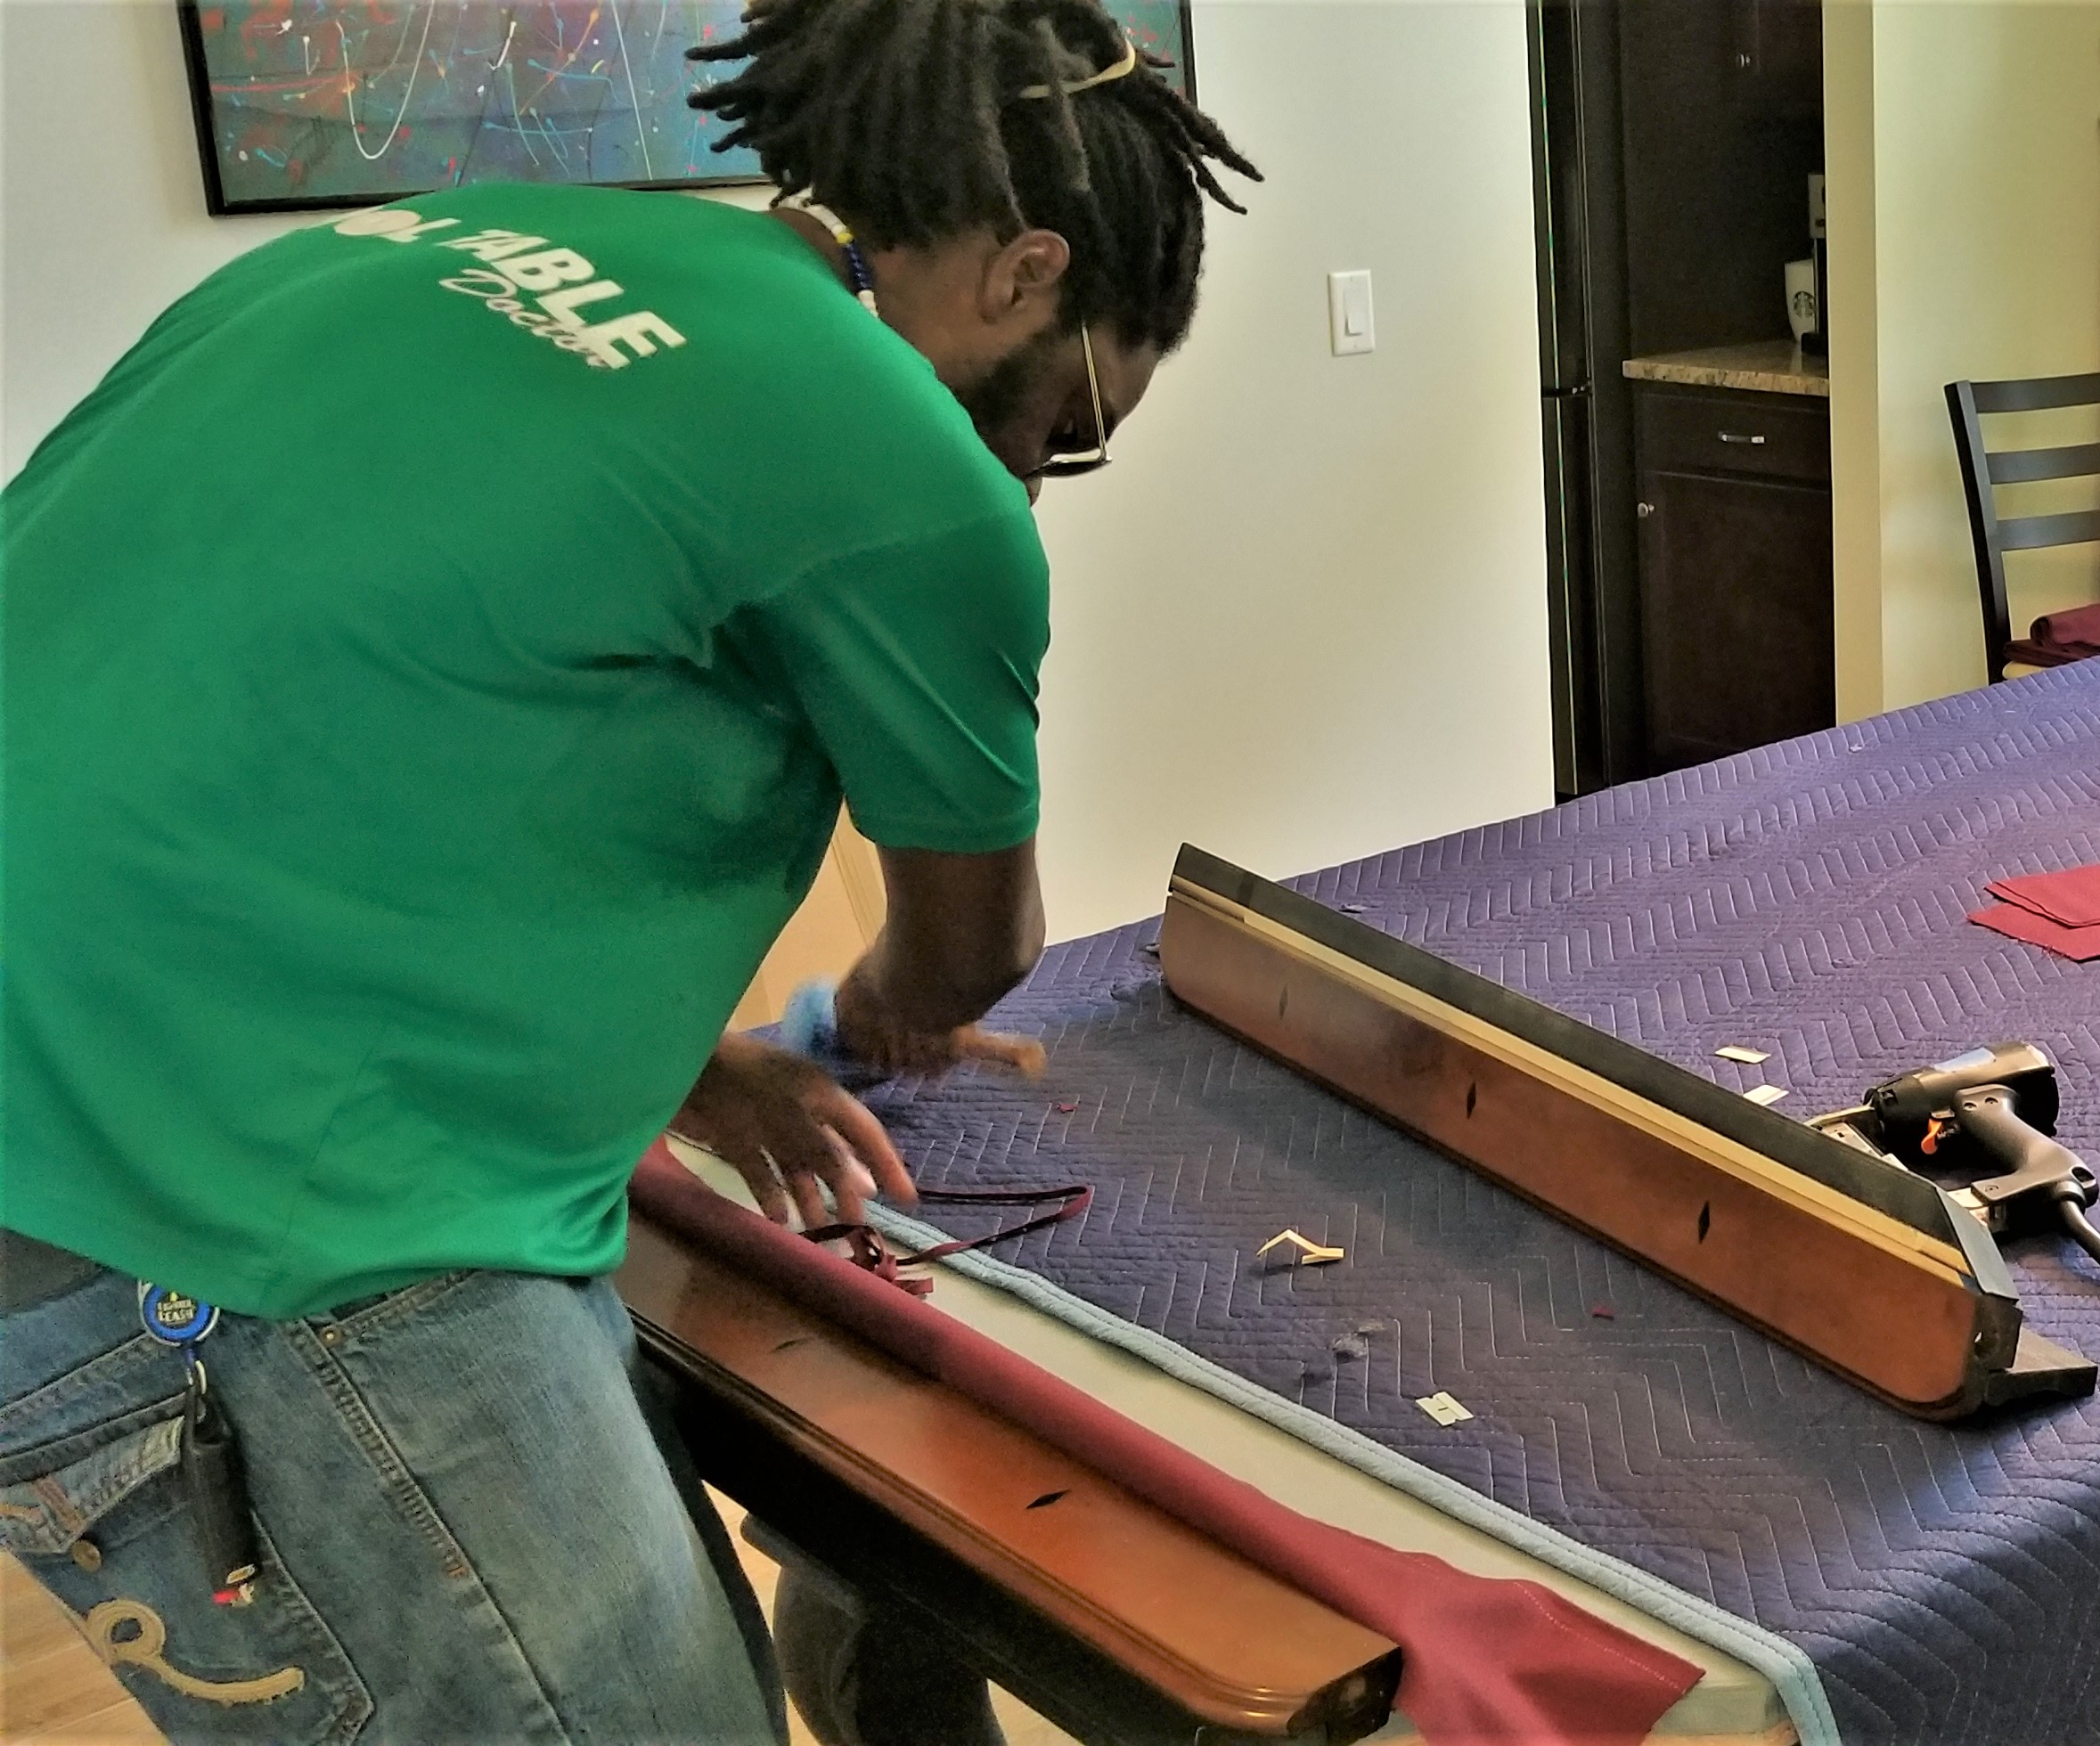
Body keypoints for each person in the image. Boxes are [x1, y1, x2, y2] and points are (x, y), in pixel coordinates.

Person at [0, 1, 1254, 1738]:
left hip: (95, 1115)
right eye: (1077, 409)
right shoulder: (902, 459)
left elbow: (321, 740)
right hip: (226, 1225)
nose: (1038, 463)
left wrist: (684, 1061)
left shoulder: (435, 247)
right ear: (1025, 273)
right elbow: (963, 954)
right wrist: (873, 1009)